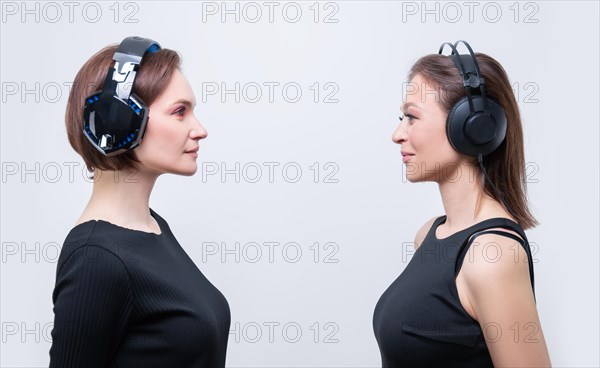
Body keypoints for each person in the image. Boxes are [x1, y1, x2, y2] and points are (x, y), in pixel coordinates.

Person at [49, 37, 230, 367]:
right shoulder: (96, 258)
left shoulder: (154, 228)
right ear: (117, 121)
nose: (200, 130)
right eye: (179, 112)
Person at [372, 41, 551, 367]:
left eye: (412, 117)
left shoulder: (491, 255)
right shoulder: (429, 235)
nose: (397, 134)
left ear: (472, 126)